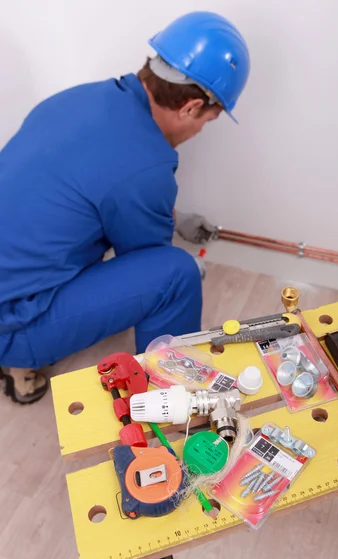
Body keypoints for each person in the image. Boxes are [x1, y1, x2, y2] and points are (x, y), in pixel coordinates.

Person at [0, 11, 250, 404]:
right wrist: (188, 259)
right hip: (11, 325)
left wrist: (176, 219)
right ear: (190, 107)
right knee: (178, 276)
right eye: (208, 119)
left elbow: (104, 188)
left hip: (9, 280)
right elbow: (149, 263)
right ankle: (164, 404)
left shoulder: (81, 98)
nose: (201, 128)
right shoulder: (147, 165)